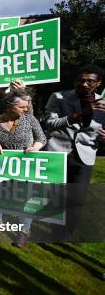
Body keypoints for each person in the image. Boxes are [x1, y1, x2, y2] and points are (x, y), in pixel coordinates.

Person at [42, 65, 105, 240]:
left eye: (90, 81)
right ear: (75, 81)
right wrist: (76, 116)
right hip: (58, 151)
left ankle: (69, 231)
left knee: (77, 197)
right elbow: (49, 123)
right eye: (81, 80)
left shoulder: (104, 103)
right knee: (55, 195)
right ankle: (56, 232)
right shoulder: (59, 97)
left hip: (85, 155)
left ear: (98, 83)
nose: (85, 84)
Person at [0, 90, 47, 248]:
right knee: (1, 194)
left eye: (27, 107)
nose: (26, 110)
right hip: (3, 167)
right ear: (9, 106)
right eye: (22, 107)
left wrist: (36, 147)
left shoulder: (29, 119)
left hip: (25, 165)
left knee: (25, 198)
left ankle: (24, 232)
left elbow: (42, 138)